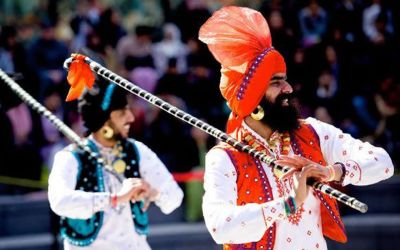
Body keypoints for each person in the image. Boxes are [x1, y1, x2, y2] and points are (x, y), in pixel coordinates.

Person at [198, 6, 394, 250]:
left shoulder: (313, 133)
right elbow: (219, 226)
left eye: (286, 79)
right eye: (276, 82)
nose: (289, 88)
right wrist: (288, 204)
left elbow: (383, 162)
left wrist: (331, 172)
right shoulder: (226, 157)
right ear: (252, 97)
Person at [48, 79, 183, 249]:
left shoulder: (137, 150)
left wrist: (152, 192)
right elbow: (59, 201)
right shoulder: (70, 157)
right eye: (122, 112)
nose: (131, 117)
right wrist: (115, 198)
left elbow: (174, 198)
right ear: (104, 119)